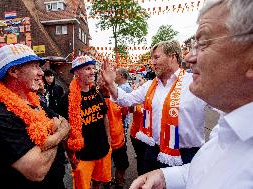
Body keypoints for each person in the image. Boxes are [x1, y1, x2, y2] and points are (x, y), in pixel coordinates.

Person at [129, 0, 253, 188]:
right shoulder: (227, 129)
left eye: (203, 44)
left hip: (185, 152)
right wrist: (167, 177)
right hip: (155, 152)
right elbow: (209, 170)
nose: (189, 58)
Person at [101, 40, 207, 173]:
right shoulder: (149, 85)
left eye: (157, 57)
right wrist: (111, 84)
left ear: (172, 57)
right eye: (152, 58)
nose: (153, 62)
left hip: (186, 155)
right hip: (152, 150)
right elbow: (126, 100)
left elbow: (226, 109)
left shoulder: (194, 82)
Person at [0, 44, 70, 189]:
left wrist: (48, 140)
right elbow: (37, 171)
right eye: (35, 66)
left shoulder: (35, 101)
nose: (41, 73)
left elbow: (65, 123)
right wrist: (58, 135)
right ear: (13, 71)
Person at [58, 55, 111, 189]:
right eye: (88, 68)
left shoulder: (96, 93)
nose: (93, 71)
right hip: (82, 156)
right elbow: (64, 131)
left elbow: (104, 116)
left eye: (93, 68)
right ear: (77, 72)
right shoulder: (66, 99)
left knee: (98, 181)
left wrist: (109, 140)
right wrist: (70, 156)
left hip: (102, 149)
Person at [97, 77, 129, 189]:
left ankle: (119, 184)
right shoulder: (94, 99)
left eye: (107, 81)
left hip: (119, 141)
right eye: (102, 81)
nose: (104, 83)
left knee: (122, 165)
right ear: (98, 83)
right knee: (102, 171)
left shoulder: (117, 98)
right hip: (102, 143)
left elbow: (125, 113)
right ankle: (106, 183)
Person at [114, 68, 132, 141]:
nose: (114, 76)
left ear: (121, 75)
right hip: (122, 119)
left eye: (116, 74)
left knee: (122, 140)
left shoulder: (124, 88)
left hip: (122, 119)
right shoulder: (123, 86)